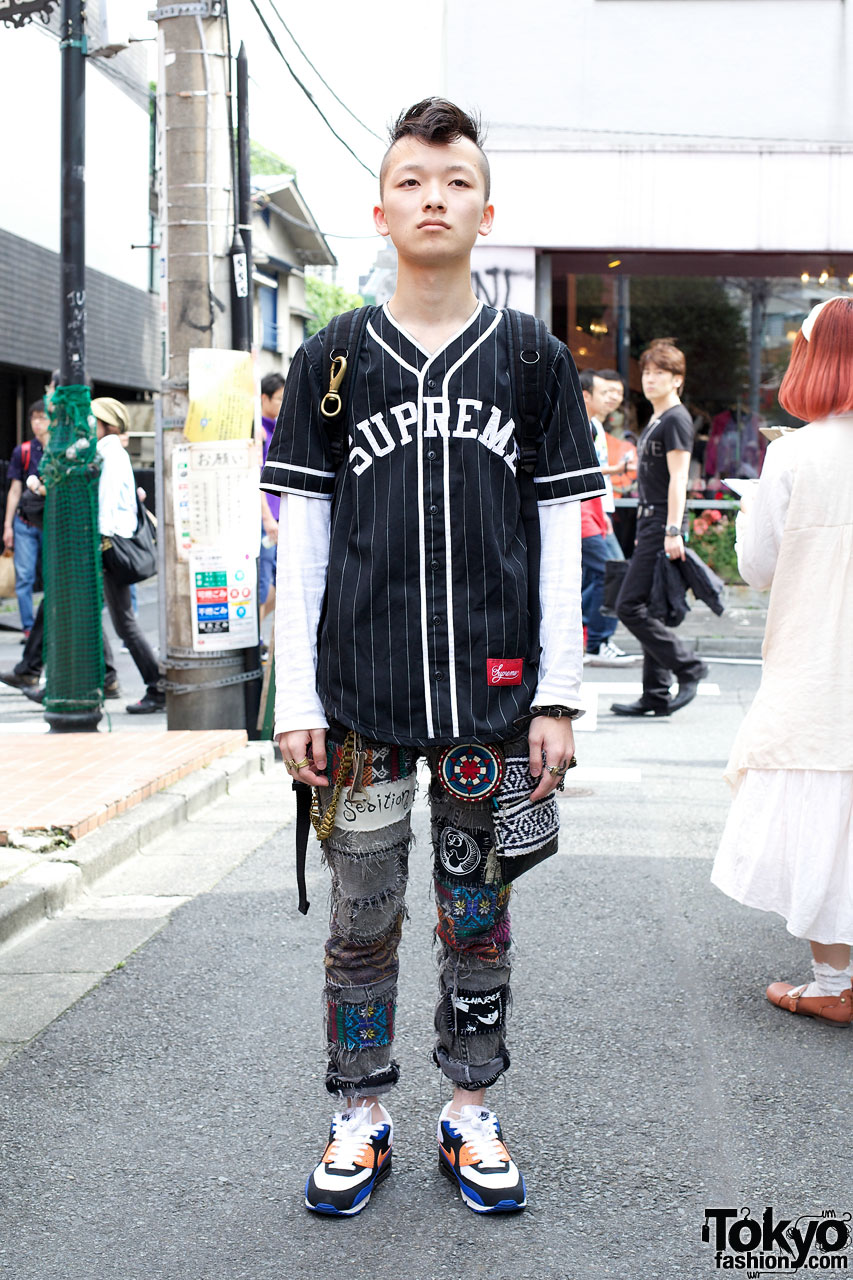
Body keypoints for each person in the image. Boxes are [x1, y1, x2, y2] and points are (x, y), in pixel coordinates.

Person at [260, 98, 604, 1218]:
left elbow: (559, 535)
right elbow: (301, 544)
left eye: (453, 181)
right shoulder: (329, 360)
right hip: (357, 704)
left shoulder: (534, 359)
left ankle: (469, 1109)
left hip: (494, 707)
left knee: (479, 915)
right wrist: (294, 696)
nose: (432, 198)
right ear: (380, 206)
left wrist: (558, 691)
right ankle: (359, 1113)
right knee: (361, 922)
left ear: (484, 208)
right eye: (411, 180)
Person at [711, 296, 853, 1024]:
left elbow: (757, 567)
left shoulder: (792, 453)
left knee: (822, 809)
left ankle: (833, 981)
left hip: (819, 662)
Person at [610, 339, 708, 717]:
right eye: (647, 372)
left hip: (661, 523)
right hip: (649, 520)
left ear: (677, 379)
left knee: (629, 606)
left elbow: (678, 478)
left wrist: (671, 530)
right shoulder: (655, 419)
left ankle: (689, 667)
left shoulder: (677, 419)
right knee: (647, 605)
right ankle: (656, 694)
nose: (650, 379)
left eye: (660, 373)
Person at [92, 397, 164, 714]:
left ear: (105, 424)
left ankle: (156, 685)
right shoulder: (111, 453)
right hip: (115, 543)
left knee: (124, 623)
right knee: (121, 621)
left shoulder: (110, 454)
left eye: (93, 420)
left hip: (112, 546)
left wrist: (99, 542)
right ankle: (112, 679)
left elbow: (107, 504)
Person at [578, 370, 637, 666]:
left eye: (617, 393)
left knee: (602, 574)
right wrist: (614, 471)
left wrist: (607, 511)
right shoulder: (577, 424)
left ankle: (589, 637)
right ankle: (597, 642)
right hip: (581, 512)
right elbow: (580, 469)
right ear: (586, 394)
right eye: (606, 392)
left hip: (597, 510)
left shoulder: (595, 426)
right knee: (611, 571)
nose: (612, 398)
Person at [3, 399, 50, 639]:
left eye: (42, 417)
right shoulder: (23, 451)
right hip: (24, 523)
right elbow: (14, 489)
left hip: (50, 522)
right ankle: (29, 629)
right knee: (24, 577)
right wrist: (7, 525)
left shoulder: (57, 451)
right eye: (34, 418)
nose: (37, 423)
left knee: (52, 574)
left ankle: (48, 626)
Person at [258, 371, 285, 629]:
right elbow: (256, 477)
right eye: (278, 398)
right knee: (265, 581)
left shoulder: (279, 427)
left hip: (279, 517)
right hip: (266, 519)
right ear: (264, 398)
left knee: (279, 581)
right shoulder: (259, 431)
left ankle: (256, 637)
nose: (282, 403)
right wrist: (266, 517)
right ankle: (255, 641)